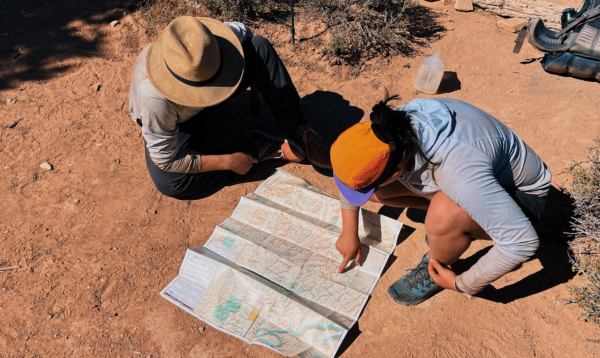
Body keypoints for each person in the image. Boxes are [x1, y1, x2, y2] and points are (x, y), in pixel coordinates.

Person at [331, 92, 552, 305]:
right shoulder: (390, 128)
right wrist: (348, 231)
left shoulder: (458, 170)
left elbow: (521, 242)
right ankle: (449, 229)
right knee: (382, 193)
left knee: (443, 216)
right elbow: (352, 176)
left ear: (395, 172)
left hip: (522, 197)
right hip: (476, 179)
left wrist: (463, 283)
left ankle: (437, 260)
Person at [129, 16, 332, 200]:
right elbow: (166, 160)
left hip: (207, 90)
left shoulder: (209, 43)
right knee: (170, 183)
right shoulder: (154, 97)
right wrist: (227, 162)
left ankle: (299, 130)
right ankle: (258, 149)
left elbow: (249, 36)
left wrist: (257, 89)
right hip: (181, 121)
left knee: (260, 47)